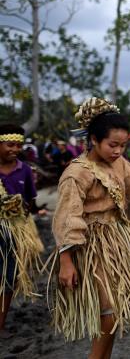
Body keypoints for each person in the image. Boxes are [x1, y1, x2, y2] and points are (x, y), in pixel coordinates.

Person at [50, 97, 130, 357]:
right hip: (93, 247)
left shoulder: (118, 162)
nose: (118, 151)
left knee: (115, 312)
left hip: (118, 242)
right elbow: (66, 219)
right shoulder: (76, 174)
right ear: (93, 139)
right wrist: (67, 262)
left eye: (123, 145)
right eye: (112, 145)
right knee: (108, 313)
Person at [0, 124, 45, 338]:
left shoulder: (25, 170)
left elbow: (30, 199)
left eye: (18, 145)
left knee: (9, 278)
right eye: (10, 145)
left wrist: (28, 208)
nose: (15, 149)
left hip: (16, 231)